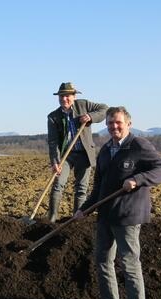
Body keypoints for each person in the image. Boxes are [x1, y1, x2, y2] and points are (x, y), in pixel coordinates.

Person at [74, 107, 161, 299]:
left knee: (129, 265)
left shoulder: (138, 145)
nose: (113, 127)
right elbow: (98, 187)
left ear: (128, 123)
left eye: (117, 123)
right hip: (105, 215)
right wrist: (84, 209)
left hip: (127, 216)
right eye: (109, 124)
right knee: (102, 260)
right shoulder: (106, 150)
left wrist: (138, 179)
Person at [47, 82, 108, 223]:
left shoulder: (83, 105)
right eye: (61, 96)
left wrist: (91, 116)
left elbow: (105, 109)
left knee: (81, 188)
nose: (64, 99)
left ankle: (76, 220)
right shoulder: (53, 117)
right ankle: (51, 220)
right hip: (65, 156)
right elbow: (53, 142)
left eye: (67, 96)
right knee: (57, 185)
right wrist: (55, 161)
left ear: (74, 96)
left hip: (84, 154)